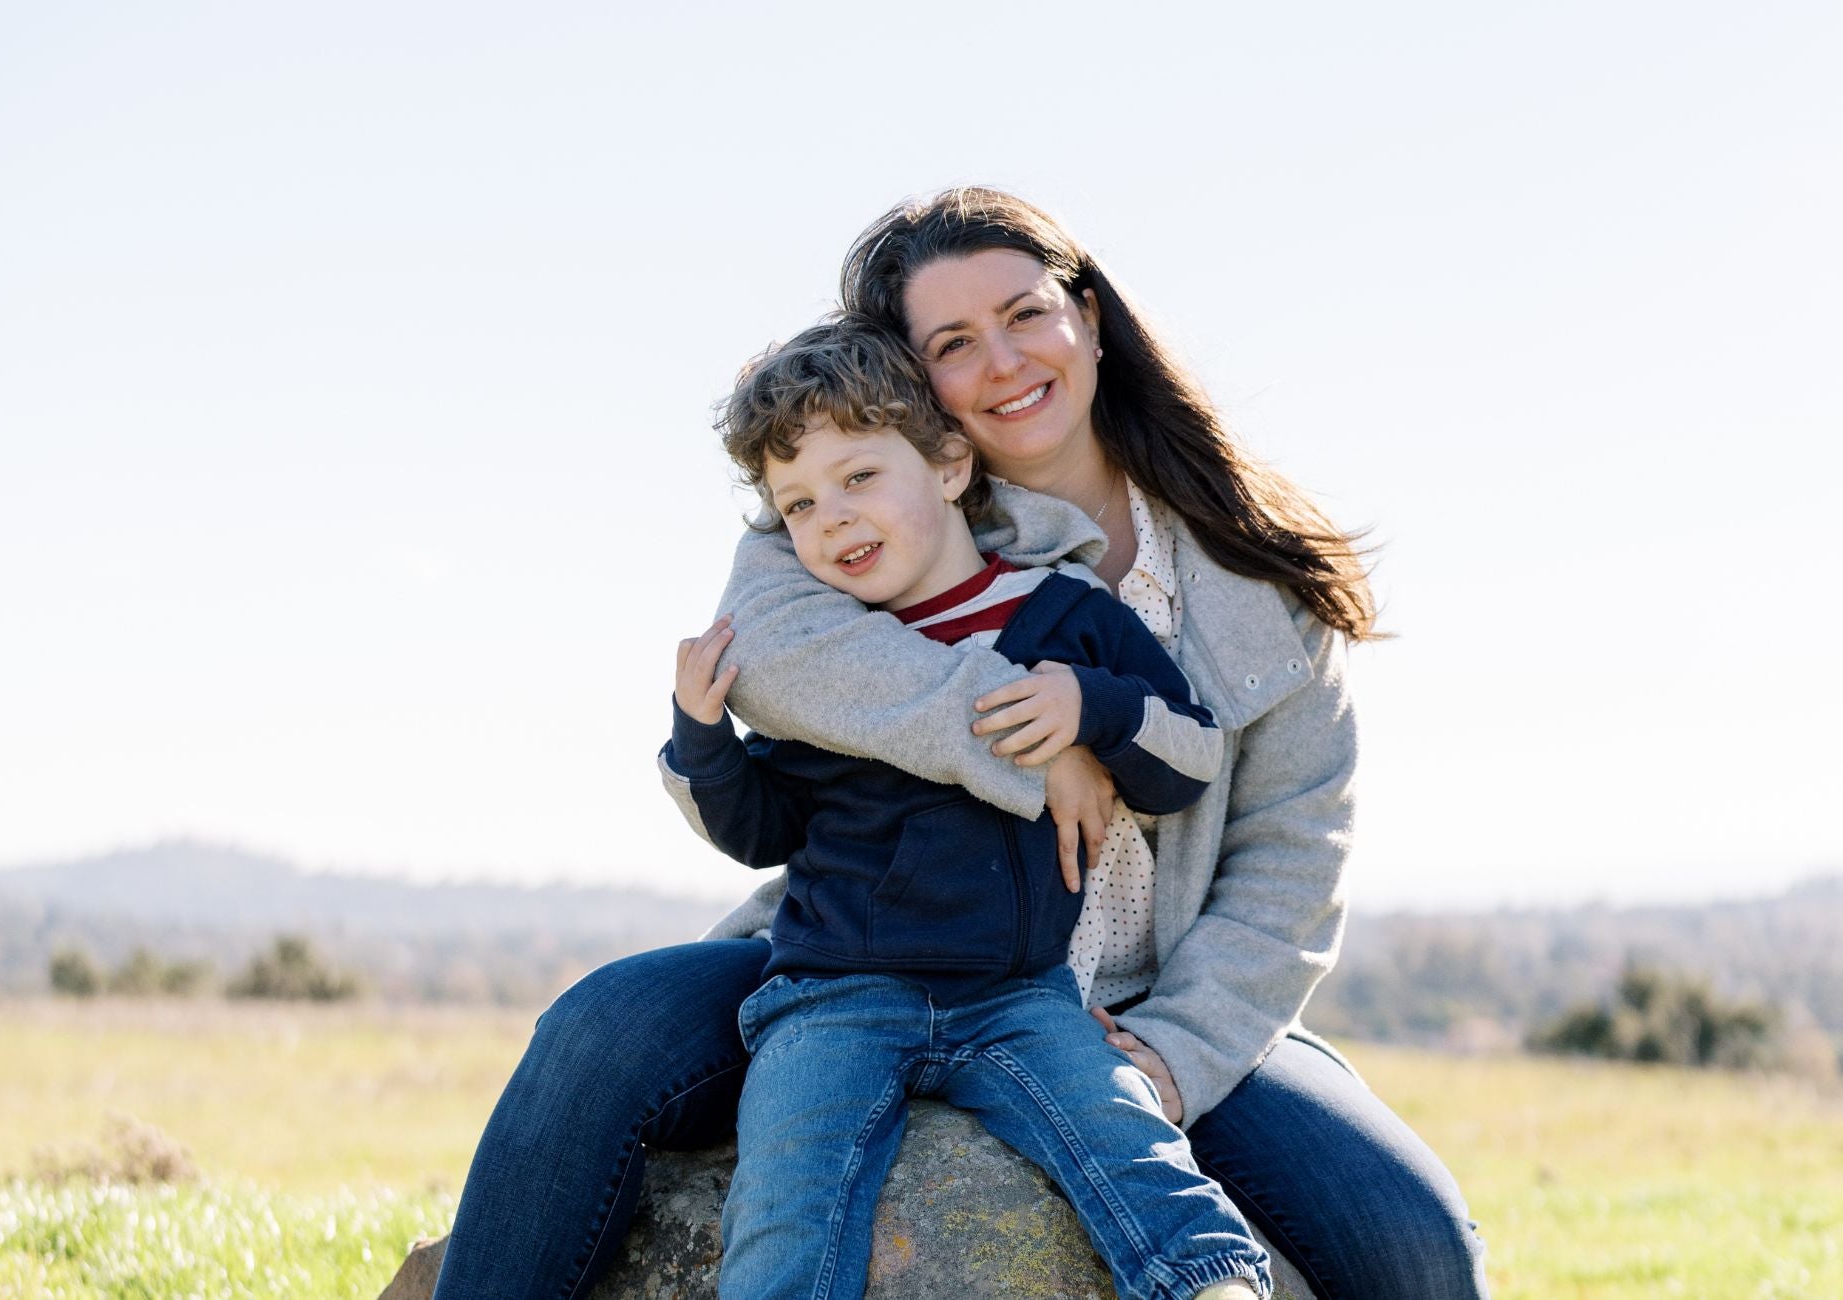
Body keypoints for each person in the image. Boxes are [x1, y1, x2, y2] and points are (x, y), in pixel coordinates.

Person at [433, 189, 1488, 1300]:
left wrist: (1176, 1052)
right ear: (913, 382)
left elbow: (1292, 858)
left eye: (1025, 313)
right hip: (866, 945)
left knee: (1412, 1239)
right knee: (599, 1032)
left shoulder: (1254, 572)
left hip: (1156, 994)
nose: (1001, 360)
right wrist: (1031, 744)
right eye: (951, 342)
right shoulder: (859, 510)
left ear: (1087, 314)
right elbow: (783, 658)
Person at [663, 315, 1268, 1300]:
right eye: (800, 504)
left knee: (1128, 1142)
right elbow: (763, 827)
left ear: (949, 465)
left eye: (860, 477)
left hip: (1018, 996)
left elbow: (1190, 758)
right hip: (833, 994)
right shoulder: (837, 663)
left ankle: (1211, 1285)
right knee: (785, 1201)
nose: (835, 518)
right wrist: (701, 742)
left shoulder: (1066, 613)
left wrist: (1092, 707)